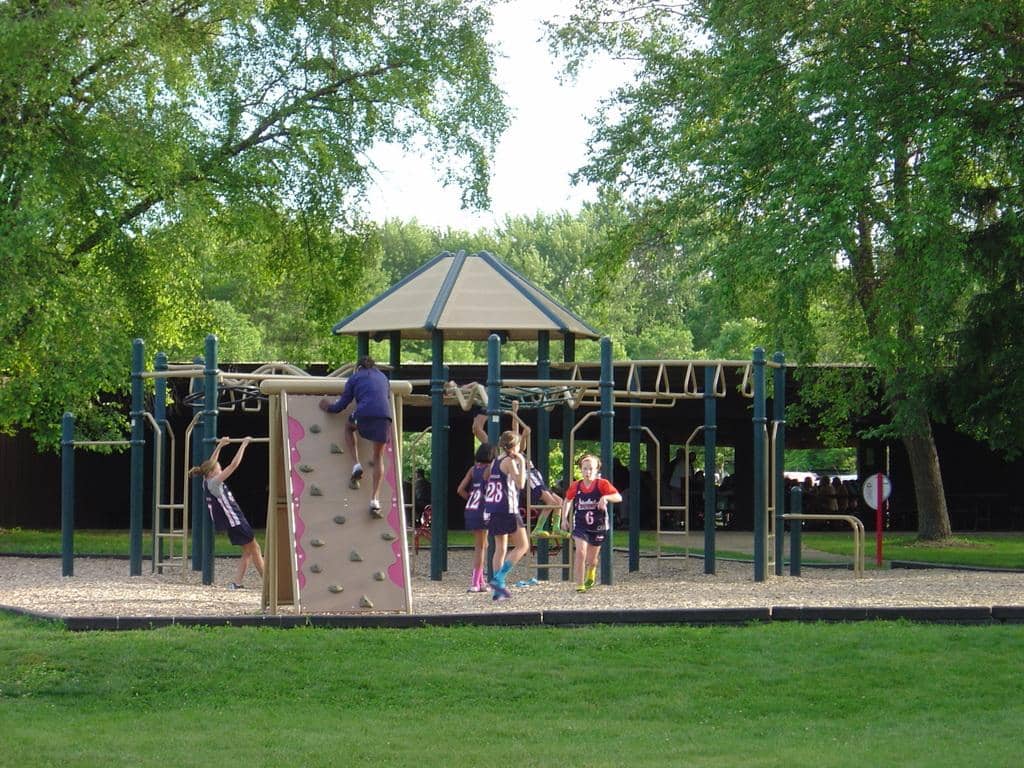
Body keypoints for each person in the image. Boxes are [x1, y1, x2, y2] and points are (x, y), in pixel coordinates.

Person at [318, 355, 392, 517]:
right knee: (378, 456)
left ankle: (356, 464)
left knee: (348, 427)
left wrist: (327, 407)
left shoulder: (354, 377)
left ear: (358, 368)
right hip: (384, 417)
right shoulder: (383, 377)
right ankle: (375, 500)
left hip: (364, 414)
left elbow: (341, 405)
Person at [188, 436, 265, 590]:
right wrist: (244, 444)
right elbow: (233, 465)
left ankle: (236, 583)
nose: (221, 470)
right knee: (255, 549)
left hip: (234, 521)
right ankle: (267, 581)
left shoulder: (206, 480)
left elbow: (211, 463)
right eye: (218, 470)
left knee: (249, 551)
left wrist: (220, 446)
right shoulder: (214, 483)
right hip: (235, 521)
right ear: (212, 474)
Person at [563, 453, 622, 593]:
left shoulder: (602, 484)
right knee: (580, 552)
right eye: (584, 468)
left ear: (596, 470)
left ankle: (592, 569)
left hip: (598, 525)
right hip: (581, 525)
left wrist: (605, 497)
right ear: (581, 470)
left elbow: (618, 497)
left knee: (591, 559)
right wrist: (564, 518)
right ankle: (579, 584)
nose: (587, 472)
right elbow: (567, 500)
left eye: (590, 469)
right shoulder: (576, 486)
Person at [484, 430, 529, 601]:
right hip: (507, 508)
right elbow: (521, 483)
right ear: (515, 446)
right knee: (523, 546)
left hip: (493, 508)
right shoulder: (510, 461)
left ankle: (498, 590)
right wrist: (522, 462)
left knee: (500, 548)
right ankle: (499, 579)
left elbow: (487, 477)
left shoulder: (495, 460)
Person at [456, 443, 495, 592]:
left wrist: (472, 498)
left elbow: (460, 490)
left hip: (471, 508)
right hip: (483, 510)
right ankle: (475, 582)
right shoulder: (490, 470)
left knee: (483, 545)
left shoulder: (473, 469)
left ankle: (481, 581)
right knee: (481, 547)